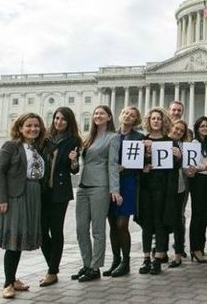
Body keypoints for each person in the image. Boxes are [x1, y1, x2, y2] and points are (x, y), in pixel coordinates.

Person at [0, 113, 46, 299]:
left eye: (36, 126)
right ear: (20, 128)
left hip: (33, 195)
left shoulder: (36, 147)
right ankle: (7, 283)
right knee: (13, 240)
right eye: (29, 126)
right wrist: (1, 198)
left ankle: (13, 278)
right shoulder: (11, 146)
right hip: (16, 195)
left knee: (20, 239)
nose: (33, 129)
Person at [71, 105, 121, 283]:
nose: (98, 116)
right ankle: (87, 263)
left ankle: (95, 267)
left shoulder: (113, 138)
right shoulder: (88, 139)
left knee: (98, 230)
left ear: (109, 117)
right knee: (80, 229)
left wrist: (114, 189)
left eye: (102, 113)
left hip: (100, 185)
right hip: (83, 186)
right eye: (96, 113)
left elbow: (113, 164)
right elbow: (80, 164)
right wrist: (74, 161)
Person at [40, 108, 82, 287]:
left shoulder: (73, 141)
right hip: (42, 191)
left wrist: (74, 160)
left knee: (56, 230)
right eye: (57, 118)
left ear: (69, 122)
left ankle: (52, 271)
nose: (59, 122)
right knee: (41, 231)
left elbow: (74, 170)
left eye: (63, 119)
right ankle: (52, 265)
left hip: (60, 192)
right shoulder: (45, 139)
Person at [135, 108, 180, 275]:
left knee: (160, 222)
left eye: (159, 119)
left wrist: (178, 156)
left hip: (163, 188)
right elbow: (135, 165)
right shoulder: (142, 140)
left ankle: (158, 259)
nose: (155, 121)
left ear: (163, 122)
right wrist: (144, 166)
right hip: (146, 187)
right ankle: (146, 258)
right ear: (149, 121)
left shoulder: (170, 142)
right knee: (147, 224)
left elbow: (176, 167)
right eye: (153, 119)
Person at [103, 107, 143, 278]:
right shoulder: (110, 135)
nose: (128, 116)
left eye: (132, 115)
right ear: (120, 116)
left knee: (122, 224)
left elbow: (141, 163)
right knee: (112, 224)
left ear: (136, 120)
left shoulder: (139, 138)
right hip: (110, 182)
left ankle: (125, 262)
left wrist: (126, 167)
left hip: (127, 183)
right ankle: (116, 260)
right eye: (126, 113)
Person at [186, 116, 207, 263]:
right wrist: (203, 167)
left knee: (205, 216)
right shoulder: (194, 143)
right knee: (197, 215)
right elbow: (190, 166)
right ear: (197, 128)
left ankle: (200, 247)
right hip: (198, 181)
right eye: (202, 126)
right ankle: (195, 248)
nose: (205, 129)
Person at [168, 119, 191, 267]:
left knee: (178, 218)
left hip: (178, 186)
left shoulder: (184, 147)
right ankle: (160, 252)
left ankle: (178, 252)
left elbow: (188, 166)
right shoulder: (162, 142)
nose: (178, 132)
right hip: (163, 185)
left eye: (181, 131)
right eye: (176, 129)